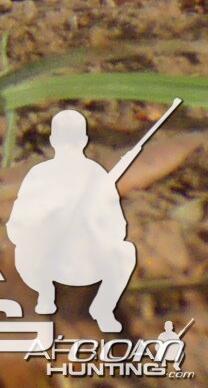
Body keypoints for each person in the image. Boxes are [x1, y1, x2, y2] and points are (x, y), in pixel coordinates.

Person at [11, 106, 151, 332]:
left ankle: (103, 308)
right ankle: (44, 302)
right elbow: (18, 222)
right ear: (54, 140)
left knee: (125, 251)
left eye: (74, 138)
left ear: (84, 140)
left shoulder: (95, 174)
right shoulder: (39, 174)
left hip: (87, 258)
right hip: (47, 260)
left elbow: (117, 224)